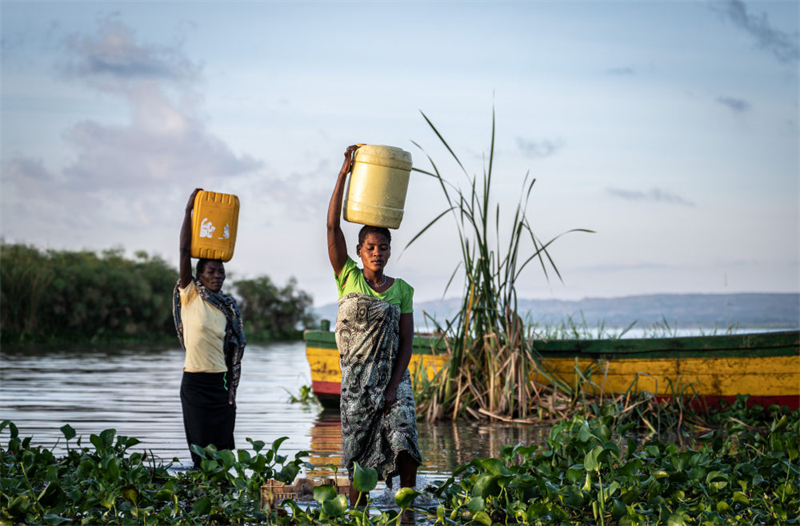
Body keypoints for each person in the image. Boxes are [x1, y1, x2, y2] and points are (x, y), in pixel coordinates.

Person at [327, 145, 422, 505]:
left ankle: (408, 507)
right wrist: (343, 175)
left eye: (383, 247)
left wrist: (393, 387)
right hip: (356, 386)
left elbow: (407, 343)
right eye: (370, 246)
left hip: (393, 381)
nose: (377, 252)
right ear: (359, 249)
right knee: (358, 458)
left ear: (389, 250)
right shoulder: (347, 277)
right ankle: (357, 512)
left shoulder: (402, 291)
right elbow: (331, 225)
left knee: (405, 443)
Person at [172, 188, 246, 469]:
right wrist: (189, 211)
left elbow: (235, 351)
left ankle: (225, 503)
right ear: (198, 276)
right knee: (200, 453)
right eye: (211, 272)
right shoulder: (190, 294)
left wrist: (232, 391)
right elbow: (182, 251)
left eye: (221, 272)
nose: (217, 276)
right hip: (195, 385)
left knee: (224, 454)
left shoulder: (228, 306)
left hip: (221, 385)